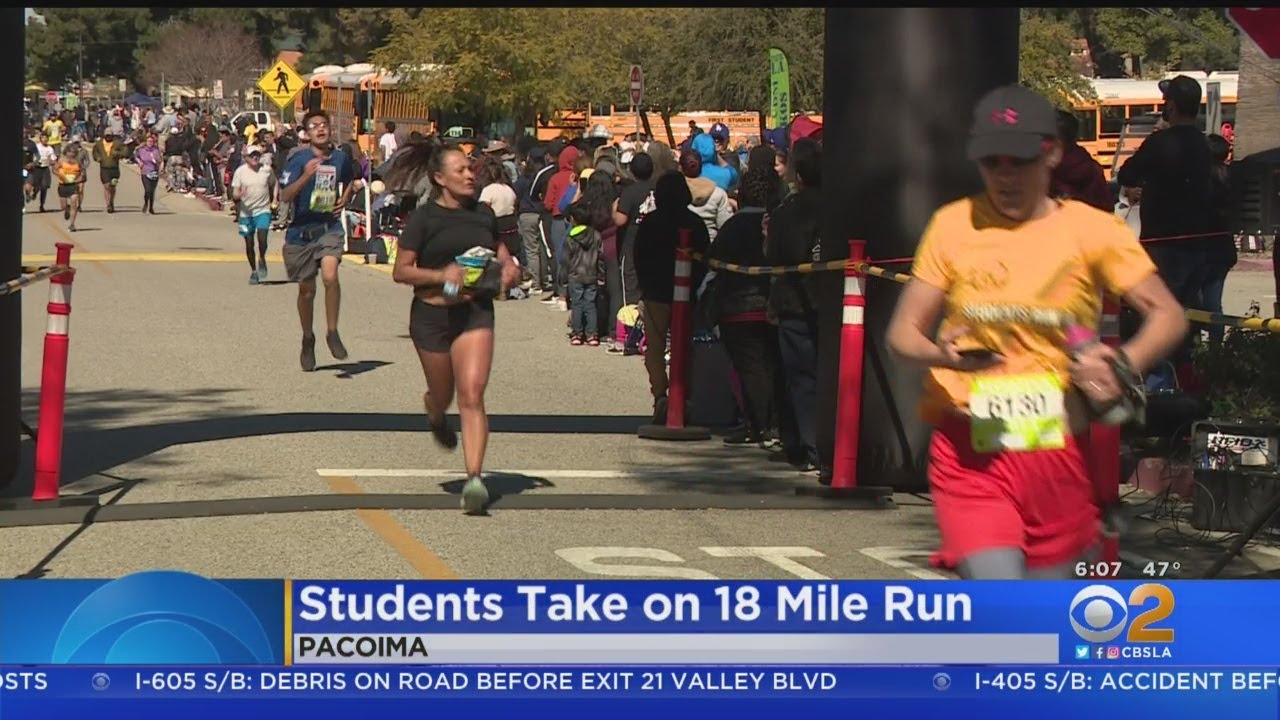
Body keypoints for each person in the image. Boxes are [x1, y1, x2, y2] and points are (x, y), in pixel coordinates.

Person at [886, 84, 1187, 580]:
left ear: (1052, 155)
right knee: (1002, 597)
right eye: (991, 161)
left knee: (1044, 623)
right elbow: (902, 335)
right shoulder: (953, 225)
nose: (1004, 175)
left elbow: (1167, 315)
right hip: (970, 452)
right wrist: (944, 357)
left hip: (1054, 449)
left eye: (1019, 159)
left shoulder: (1093, 231)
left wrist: (1121, 364)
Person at [392, 145, 522, 514]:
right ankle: (434, 411)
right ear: (439, 178)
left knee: (472, 394)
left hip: (473, 312)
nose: (470, 175)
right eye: (461, 170)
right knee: (443, 393)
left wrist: (509, 268)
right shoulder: (424, 218)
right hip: (431, 317)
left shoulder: (483, 214)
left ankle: (475, 481)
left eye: (471, 169)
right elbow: (401, 271)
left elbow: (500, 252)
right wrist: (441, 275)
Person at [1116, 74, 1213, 391]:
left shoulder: (1162, 141)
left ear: (1170, 105)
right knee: (1186, 317)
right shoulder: (1203, 142)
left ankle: (1159, 390)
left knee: (1156, 315)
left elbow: (1127, 173)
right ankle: (1189, 383)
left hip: (1164, 241)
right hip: (1199, 243)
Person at [708, 161, 786, 447]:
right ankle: (776, 424)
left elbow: (712, 259)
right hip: (774, 304)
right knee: (775, 365)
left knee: (750, 368)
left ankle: (758, 425)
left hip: (737, 306)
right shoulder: (779, 221)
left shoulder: (733, 227)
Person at [278, 110, 358, 371]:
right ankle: (307, 338)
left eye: (324, 125)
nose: (321, 129)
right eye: (314, 126)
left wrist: (345, 197)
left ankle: (332, 332)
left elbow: (351, 177)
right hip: (300, 232)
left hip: (329, 227)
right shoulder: (298, 159)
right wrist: (306, 176)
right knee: (307, 290)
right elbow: (285, 195)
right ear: (307, 133)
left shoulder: (340, 157)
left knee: (330, 276)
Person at [764, 138, 824, 474]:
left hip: (794, 304)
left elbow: (773, 256)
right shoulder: (840, 208)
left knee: (801, 378)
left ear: (798, 175)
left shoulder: (788, 212)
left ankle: (809, 445)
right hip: (836, 304)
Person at [634, 171, 711, 424]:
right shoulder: (695, 223)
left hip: (655, 292)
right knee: (684, 348)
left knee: (654, 348)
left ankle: (660, 395)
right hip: (686, 294)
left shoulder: (650, 222)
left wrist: (644, 286)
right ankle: (683, 395)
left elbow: (639, 256)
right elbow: (705, 257)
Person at [233, 148, 278, 285]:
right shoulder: (240, 172)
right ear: (246, 157)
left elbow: (275, 183)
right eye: (252, 156)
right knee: (249, 242)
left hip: (263, 210)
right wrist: (239, 195)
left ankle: (262, 258)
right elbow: (234, 193)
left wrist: (274, 199)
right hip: (246, 213)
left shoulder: (266, 169)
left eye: (257, 155)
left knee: (262, 238)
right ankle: (253, 271)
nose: (255, 158)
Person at [564, 203, 605, 346]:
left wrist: (563, 280)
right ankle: (592, 335)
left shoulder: (570, 237)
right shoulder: (596, 235)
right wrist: (601, 276)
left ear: (573, 219)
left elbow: (566, 260)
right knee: (591, 305)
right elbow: (601, 257)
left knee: (577, 304)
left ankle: (577, 334)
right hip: (592, 274)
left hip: (575, 275)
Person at [91, 130, 127, 213]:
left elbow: (125, 151)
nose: (108, 137)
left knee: (112, 187)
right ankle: (108, 205)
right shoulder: (99, 144)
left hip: (114, 168)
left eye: (110, 136)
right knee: (106, 186)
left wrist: (117, 154)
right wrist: (97, 158)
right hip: (104, 168)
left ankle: (112, 201)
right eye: (106, 136)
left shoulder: (117, 143)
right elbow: (95, 152)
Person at [52, 143, 84, 232]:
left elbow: (81, 171)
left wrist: (79, 179)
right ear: (66, 152)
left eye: (73, 152)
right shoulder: (61, 160)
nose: (71, 154)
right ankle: (66, 209)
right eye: (69, 152)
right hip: (63, 185)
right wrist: (60, 175)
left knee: (74, 204)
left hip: (73, 185)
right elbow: (54, 169)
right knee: (63, 206)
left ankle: (72, 224)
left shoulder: (78, 162)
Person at [135, 133, 162, 215]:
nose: (150, 143)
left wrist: (158, 162)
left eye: (151, 141)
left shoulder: (156, 150)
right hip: (145, 172)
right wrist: (139, 162)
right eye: (148, 141)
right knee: (147, 190)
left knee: (152, 191)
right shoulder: (142, 150)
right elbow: (136, 156)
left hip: (154, 172)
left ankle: (151, 207)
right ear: (146, 142)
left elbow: (160, 160)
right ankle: (146, 203)